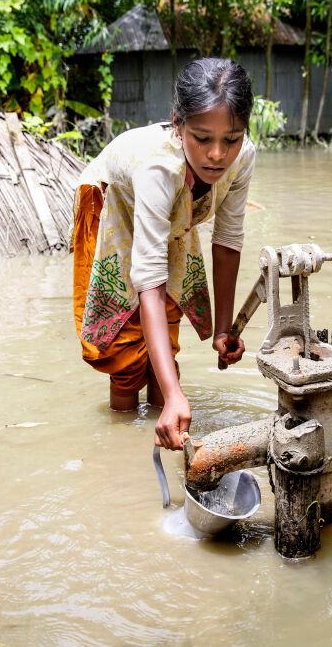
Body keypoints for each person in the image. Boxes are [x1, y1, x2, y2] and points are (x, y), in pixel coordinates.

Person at [71, 58, 256, 451]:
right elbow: (149, 279)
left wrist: (224, 331)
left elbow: (227, 239)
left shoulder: (243, 157)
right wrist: (178, 396)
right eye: (202, 138)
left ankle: (164, 402)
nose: (218, 155)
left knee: (170, 313)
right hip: (113, 200)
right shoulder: (158, 167)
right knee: (121, 343)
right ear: (178, 124)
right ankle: (121, 437)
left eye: (232, 138)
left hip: (175, 208)